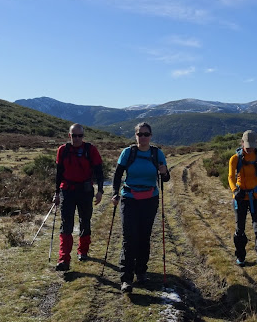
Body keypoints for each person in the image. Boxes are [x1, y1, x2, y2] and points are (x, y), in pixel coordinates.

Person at [111, 122, 170, 293]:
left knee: (144, 237)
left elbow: (165, 179)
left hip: (150, 199)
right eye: (140, 134)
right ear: (135, 136)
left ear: (151, 136)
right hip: (129, 199)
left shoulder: (156, 153)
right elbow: (117, 175)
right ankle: (126, 278)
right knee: (130, 238)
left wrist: (164, 171)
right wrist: (115, 193)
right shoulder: (128, 153)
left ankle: (141, 271)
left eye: (146, 134)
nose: (143, 137)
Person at [53, 123, 104, 271]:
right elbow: (59, 173)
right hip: (67, 191)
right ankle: (64, 259)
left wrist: (100, 191)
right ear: (69, 135)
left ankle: (83, 251)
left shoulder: (91, 150)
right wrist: (56, 193)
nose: (76, 138)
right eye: (73, 135)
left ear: (83, 136)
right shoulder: (62, 150)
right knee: (66, 223)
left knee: (85, 220)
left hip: (85, 191)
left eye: (79, 135)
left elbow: (99, 172)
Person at [228, 130, 257, 275]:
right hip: (241, 198)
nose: (249, 148)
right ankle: (240, 256)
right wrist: (235, 190)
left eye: (252, 146)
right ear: (242, 143)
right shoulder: (235, 159)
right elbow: (230, 177)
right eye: (247, 146)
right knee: (240, 229)